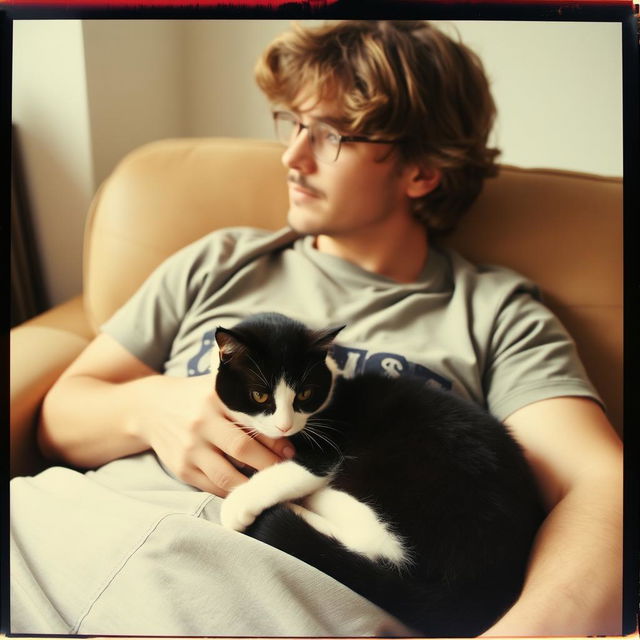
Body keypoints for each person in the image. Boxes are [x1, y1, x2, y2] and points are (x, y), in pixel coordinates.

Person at [11, 20, 622, 636]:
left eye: (330, 134)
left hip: (265, 595)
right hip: (65, 539)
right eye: (293, 123)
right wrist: (150, 408)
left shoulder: (495, 312)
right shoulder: (217, 260)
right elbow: (59, 418)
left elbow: (600, 487)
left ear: (421, 171)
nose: (292, 156)